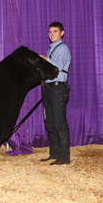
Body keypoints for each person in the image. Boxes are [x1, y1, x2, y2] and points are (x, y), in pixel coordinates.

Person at [39, 22, 71, 165]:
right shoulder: (51, 49)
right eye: (50, 31)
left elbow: (57, 67)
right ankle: (54, 153)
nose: (52, 34)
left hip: (58, 89)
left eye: (55, 31)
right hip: (50, 88)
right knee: (50, 123)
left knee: (60, 124)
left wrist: (46, 60)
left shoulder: (62, 48)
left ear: (62, 33)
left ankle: (64, 157)